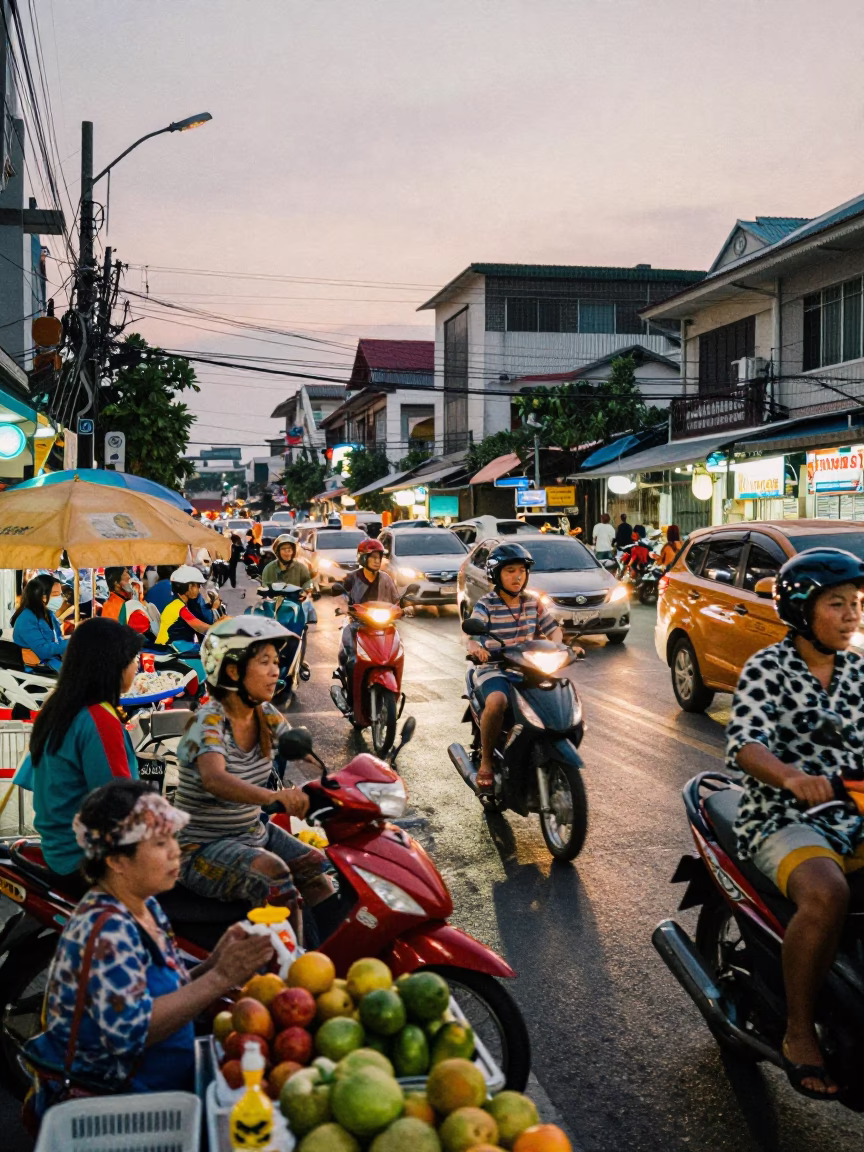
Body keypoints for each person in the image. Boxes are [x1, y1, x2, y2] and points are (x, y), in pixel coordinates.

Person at [24, 779, 274, 1112]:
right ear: (117, 860)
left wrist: (214, 963)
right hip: (120, 1111)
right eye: (159, 843)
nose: (175, 851)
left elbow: (162, 994)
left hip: (163, 1095)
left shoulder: (146, 906)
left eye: (172, 837)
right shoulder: (105, 930)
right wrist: (221, 978)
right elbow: (131, 1032)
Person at [726, 549, 864, 1099]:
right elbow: (746, 743)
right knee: (827, 893)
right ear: (803, 610)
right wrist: (791, 777)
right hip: (782, 817)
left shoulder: (859, 671)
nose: (852, 615)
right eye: (837, 604)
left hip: (853, 814)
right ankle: (799, 1030)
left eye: (856, 603)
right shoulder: (768, 668)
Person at [174, 617, 333, 944]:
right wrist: (274, 797)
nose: (276, 670)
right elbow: (215, 779)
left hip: (251, 832)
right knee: (276, 877)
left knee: (316, 868)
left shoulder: (266, 714)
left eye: (276, 661)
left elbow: (298, 749)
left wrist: (344, 784)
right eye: (265, 662)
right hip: (201, 849)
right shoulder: (208, 722)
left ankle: (332, 954)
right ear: (233, 671)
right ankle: (295, 966)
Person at [29, 618, 143, 893]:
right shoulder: (98, 719)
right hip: (84, 858)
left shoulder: (58, 706)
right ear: (111, 665)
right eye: (132, 659)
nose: (137, 666)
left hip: (57, 849)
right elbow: (118, 804)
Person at [467, 543, 577, 793]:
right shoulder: (486, 603)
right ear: (496, 574)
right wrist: (477, 649)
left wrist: (559, 647)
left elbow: (553, 630)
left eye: (522, 571)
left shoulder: (533, 602)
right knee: (496, 701)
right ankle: (486, 763)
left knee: (557, 695)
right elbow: (473, 635)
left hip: (529, 668)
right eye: (510, 571)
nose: (517, 576)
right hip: (495, 669)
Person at [335, 539, 401, 706]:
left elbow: (396, 600)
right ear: (363, 558)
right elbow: (341, 596)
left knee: (396, 654)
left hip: (382, 624)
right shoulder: (352, 578)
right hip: (356, 623)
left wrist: (405, 607)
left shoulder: (386, 579)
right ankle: (351, 699)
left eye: (379, 557)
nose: (377, 561)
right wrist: (343, 606)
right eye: (373, 557)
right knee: (351, 659)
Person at [12, 574, 68, 670]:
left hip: (53, 661)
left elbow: (57, 639)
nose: (60, 598)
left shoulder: (49, 614)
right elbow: (43, 651)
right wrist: (71, 642)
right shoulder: (26, 619)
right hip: (37, 668)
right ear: (41, 596)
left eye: (60, 594)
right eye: (55, 594)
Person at [154, 566, 211, 648]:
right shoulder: (179, 607)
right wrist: (221, 626)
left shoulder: (175, 603)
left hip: (171, 646)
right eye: (197, 586)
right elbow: (200, 628)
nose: (199, 589)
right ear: (189, 587)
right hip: (169, 648)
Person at [102, 567, 155, 639]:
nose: (129, 577)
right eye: (125, 574)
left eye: (128, 573)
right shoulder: (113, 606)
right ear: (116, 583)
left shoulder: (124, 599)